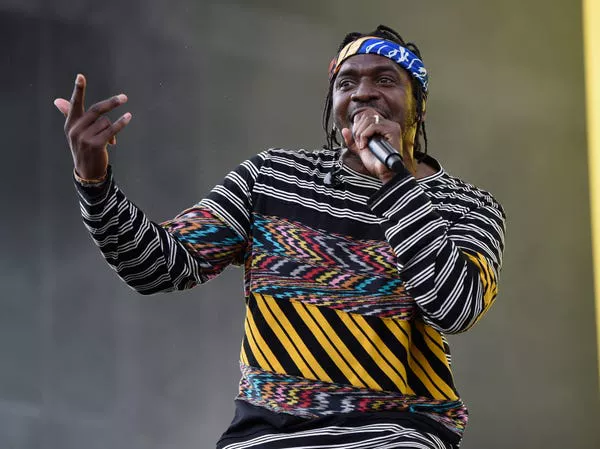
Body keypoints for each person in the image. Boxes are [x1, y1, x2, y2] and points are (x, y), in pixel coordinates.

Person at [54, 25, 505, 449]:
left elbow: (455, 307)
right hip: (268, 436)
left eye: (385, 79)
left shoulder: (465, 206)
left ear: (418, 103)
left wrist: (395, 184)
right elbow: (158, 267)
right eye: (346, 83)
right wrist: (94, 183)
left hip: (395, 434)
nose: (363, 92)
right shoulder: (271, 178)